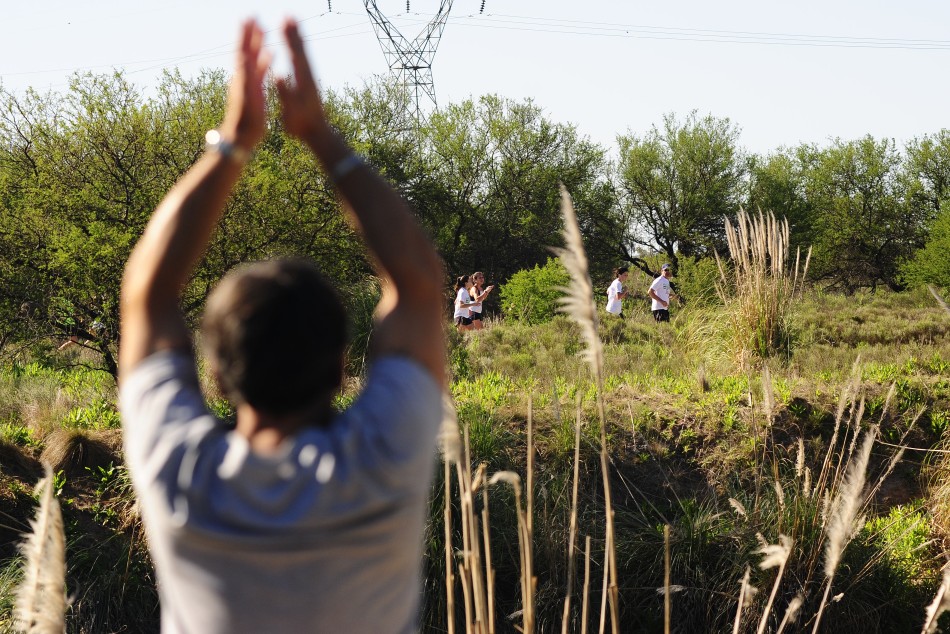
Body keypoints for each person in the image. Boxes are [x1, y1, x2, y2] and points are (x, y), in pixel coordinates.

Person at [118, 19, 446, 634]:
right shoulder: (380, 464)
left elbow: (147, 293)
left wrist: (232, 144)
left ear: (216, 372)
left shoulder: (182, 474)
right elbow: (420, 285)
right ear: (342, 364)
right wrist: (323, 138)